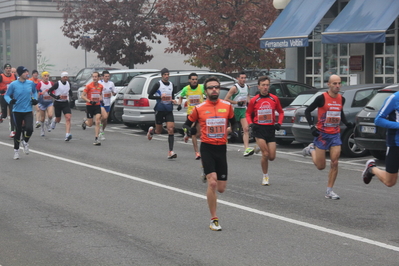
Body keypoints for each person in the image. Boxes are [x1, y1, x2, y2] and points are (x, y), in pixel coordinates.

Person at [183, 76, 236, 231]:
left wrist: (233, 130)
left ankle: (206, 171)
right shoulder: (199, 108)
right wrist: (189, 130)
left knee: (221, 188)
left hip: (222, 149)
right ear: (205, 91)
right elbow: (187, 123)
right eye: (211, 87)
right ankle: (214, 219)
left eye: (217, 87)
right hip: (207, 147)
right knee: (212, 182)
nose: (214, 90)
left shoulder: (227, 106)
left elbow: (234, 122)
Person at [302, 74, 353, 200]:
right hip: (322, 135)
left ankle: (329, 191)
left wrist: (347, 124)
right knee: (321, 166)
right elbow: (307, 111)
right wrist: (312, 127)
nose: (337, 86)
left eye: (339, 83)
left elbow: (340, 112)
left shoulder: (342, 99)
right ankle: (311, 149)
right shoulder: (321, 98)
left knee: (335, 162)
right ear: (328, 84)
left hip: (335, 134)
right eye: (334, 83)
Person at [246, 76, 284, 186]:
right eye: (263, 85)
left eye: (267, 85)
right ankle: (265, 176)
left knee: (272, 157)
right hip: (259, 129)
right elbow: (248, 113)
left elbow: (281, 112)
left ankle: (258, 147)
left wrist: (279, 123)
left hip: (270, 129)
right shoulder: (254, 100)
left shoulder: (274, 98)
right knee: (266, 154)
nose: (265, 87)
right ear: (259, 87)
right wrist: (251, 124)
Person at [362, 90, 399, 187]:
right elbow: (378, 120)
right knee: (390, 182)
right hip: (396, 143)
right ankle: (371, 169)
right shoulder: (394, 98)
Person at [4, 66, 38, 159]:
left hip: (28, 110)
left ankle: (25, 141)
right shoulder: (13, 84)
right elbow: (6, 95)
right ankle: (16, 151)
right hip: (17, 111)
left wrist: (35, 99)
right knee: (18, 131)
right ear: (20, 74)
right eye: (24, 72)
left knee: (30, 129)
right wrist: (10, 101)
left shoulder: (30, 83)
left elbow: (35, 92)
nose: (27, 73)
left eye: (27, 71)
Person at [147, 68, 178, 159]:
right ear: (162, 75)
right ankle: (152, 131)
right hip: (159, 109)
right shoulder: (158, 84)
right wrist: (160, 97)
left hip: (168, 110)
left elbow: (171, 96)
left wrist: (173, 100)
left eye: (168, 74)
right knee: (158, 131)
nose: (167, 76)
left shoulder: (172, 85)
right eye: (165, 75)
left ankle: (170, 151)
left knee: (171, 129)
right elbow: (150, 96)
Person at [225, 71, 254, 157]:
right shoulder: (234, 88)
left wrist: (250, 105)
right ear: (238, 78)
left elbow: (247, 96)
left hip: (243, 110)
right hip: (235, 110)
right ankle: (221, 137)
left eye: (245, 78)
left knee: (246, 129)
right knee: (232, 129)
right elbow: (226, 99)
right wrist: (236, 102)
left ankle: (246, 149)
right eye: (241, 78)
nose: (243, 79)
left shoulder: (247, 87)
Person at [177, 72, 205, 160]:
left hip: (200, 113)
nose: (194, 81)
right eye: (192, 79)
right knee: (193, 131)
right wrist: (179, 104)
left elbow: (208, 94)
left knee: (199, 133)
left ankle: (187, 134)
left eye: (196, 79)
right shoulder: (186, 89)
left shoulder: (201, 87)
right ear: (189, 80)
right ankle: (197, 152)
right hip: (191, 113)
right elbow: (180, 96)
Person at [48, 71, 73, 141]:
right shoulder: (57, 84)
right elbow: (49, 91)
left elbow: (70, 91)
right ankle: (55, 120)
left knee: (68, 118)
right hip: (58, 103)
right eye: (64, 77)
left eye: (66, 77)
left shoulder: (69, 84)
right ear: (61, 77)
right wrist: (56, 97)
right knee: (58, 119)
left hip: (65, 103)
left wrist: (71, 98)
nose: (66, 78)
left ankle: (67, 134)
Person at [81, 72, 103, 146]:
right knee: (90, 124)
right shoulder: (88, 86)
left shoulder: (101, 86)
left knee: (97, 121)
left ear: (98, 78)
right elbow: (82, 96)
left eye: (96, 77)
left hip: (97, 105)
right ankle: (85, 122)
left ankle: (96, 138)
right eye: (93, 77)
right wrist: (90, 101)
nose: (94, 78)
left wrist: (100, 98)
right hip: (90, 106)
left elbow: (100, 94)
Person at [98, 70, 117, 140]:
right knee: (103, 117)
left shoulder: (111, 83)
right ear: (103, 77)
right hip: (101, 103)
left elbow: (114, 91)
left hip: (107, 103)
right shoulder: (100, 83)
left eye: (108, 76)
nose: (107, 78)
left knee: (105, 119)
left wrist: (114, 93)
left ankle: (102, 130)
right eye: (106, 76)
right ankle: (99, 129)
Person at [0, 63, 18, 137]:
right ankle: (1, 117)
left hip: (11, 97)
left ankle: (13, 131)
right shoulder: (1, 76)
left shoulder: (14, 76)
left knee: (12, 113)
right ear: (4, 69)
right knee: (4, 115)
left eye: (9, 68)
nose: (8, 70)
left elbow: (17, 84)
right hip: (3, 96)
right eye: (7, 68)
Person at [36, 71, 54, 137]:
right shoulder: (40, 84)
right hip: (42, 103)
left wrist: (53, 94)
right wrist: (41, 93)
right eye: (45, 76)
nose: (46, 77)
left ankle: (48, 123)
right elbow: (36, 93)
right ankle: (42, 129)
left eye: (47, 76)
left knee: (50, 115)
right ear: (42, 77)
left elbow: (53, 90)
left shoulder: (51, 83)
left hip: (49, 102)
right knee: (42, 118)